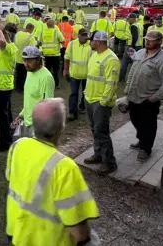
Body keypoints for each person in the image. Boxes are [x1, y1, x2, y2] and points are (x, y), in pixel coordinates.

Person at [6, 99, 99, 246]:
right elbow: (79, 233)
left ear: (34, 124)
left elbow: (11, 179)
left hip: (18, 235)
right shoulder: (65, 167)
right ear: (61, 128)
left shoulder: (18, 146)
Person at [124, 31, 163, 161]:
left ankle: (146, 149)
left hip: (148, 99)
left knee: (148, 124)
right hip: (134, 95)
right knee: (135, 119)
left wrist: (155, 97)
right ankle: (142, 140)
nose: (147, 41)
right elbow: (132, 71)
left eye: (151, 40)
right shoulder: (140, 52)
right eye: (146, 39)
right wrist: (127, 87)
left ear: (159, 42)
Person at [82, 31, 120, 174]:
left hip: (100, 102)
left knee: (101, 132)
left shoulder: (111, 59)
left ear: (98, 42)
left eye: (91, 40)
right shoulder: (95, 55)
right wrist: (86, 95)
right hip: (90, 99)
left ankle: (109, 162)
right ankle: (98, 155)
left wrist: (104, 102)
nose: (89, 42)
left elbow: (112, 83)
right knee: (94, 129)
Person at [15, 46, 55, 138]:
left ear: (38, 59)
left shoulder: (46, 78)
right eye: (24, 60)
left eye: (29, 60)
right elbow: (30, 98)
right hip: (26, 122)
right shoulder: (29, 72)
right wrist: (21, 114)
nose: (26, 64)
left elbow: (49, 106)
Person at [63, 28, 92, 120]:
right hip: (74, 75)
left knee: (85, 93)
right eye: (83, 35)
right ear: (78, 35)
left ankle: (82, 107)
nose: (85, 37)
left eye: (86, 35)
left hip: (87, 75)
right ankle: (72, 112)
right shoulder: (71, 44)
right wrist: (65, 70)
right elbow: (67, 58)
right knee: (74, 93)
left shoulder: (91, 45)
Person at [40, 17, 65, 88]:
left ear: (47, 25)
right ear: (54, 25)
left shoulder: (43, 32)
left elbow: (39, 42)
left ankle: (47, 84)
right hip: (55, 55)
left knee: (46, 70)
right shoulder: (57, 32)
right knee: (55, 71)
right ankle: (56, 84)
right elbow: (63, 41)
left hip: (46, 54)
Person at [12, 23, 36, 92]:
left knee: (18, 74)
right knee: (24, 75)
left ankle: (17, 87)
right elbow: (32, 50)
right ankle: (22, 88)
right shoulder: (31, 37)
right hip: (26, 60)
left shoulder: (18, 34)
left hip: (17, 58)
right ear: (31, 29)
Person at [119, 14, 141, 82]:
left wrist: (131, 46)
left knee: (125, 62)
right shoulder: (140, 25)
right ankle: (137, 78)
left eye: (129, 18)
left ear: (133, 19)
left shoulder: (133, 26)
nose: (128, 20)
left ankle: (122, 78)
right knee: (137, 63)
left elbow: (135, 36)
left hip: (132, 46)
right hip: (139, 46)